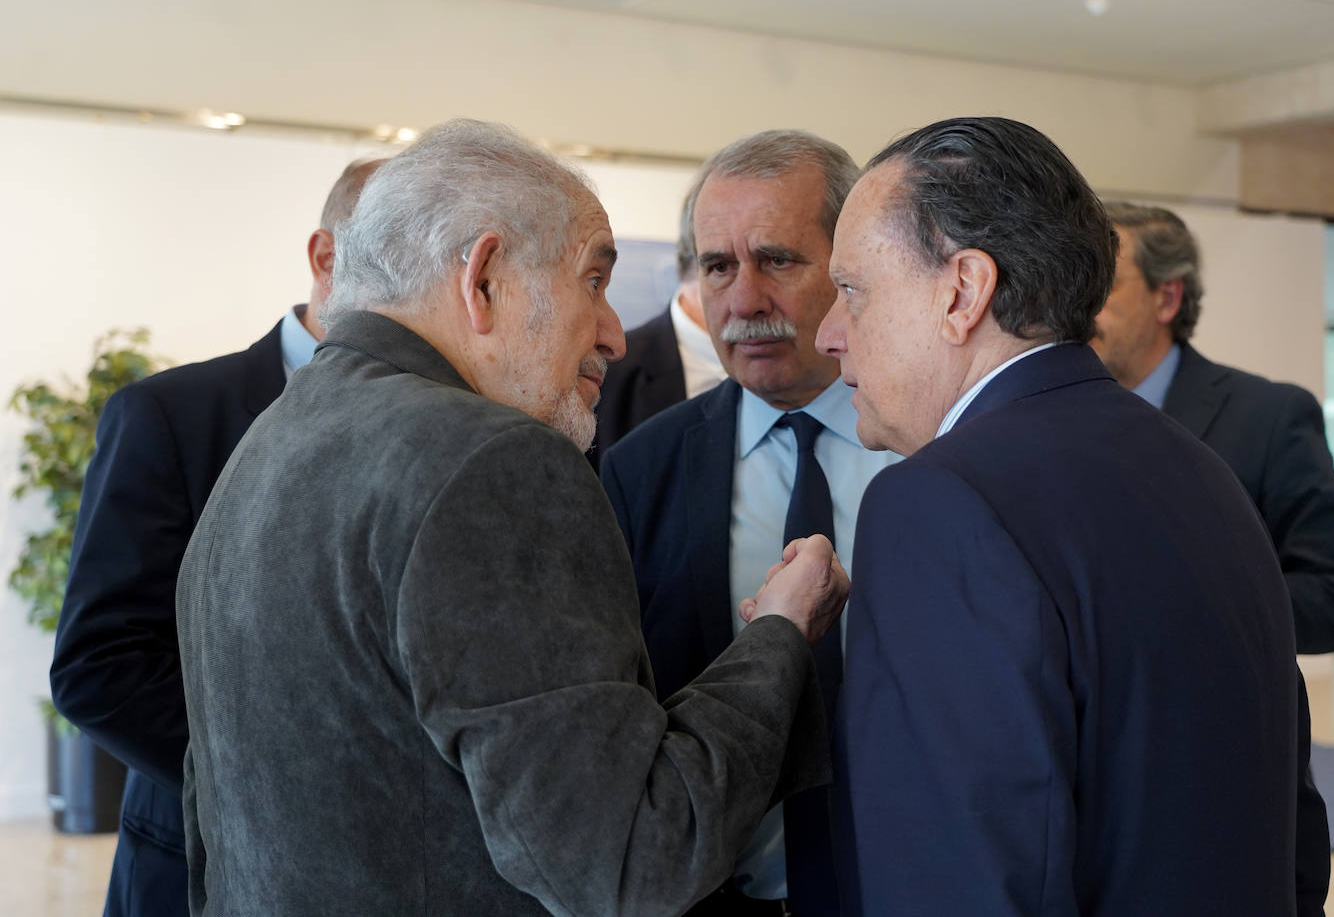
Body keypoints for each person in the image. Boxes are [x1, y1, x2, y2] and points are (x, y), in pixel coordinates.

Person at [175, 118, 848, 917]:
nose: (612, 333)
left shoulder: (270, 438)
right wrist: (777, 634)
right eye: (593, 281)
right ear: (484, 279)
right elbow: (633, 858)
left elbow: (212, 831)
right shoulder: (495, 463)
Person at [812, 116, 1324, 915]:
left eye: (852, 291)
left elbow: (956, 876)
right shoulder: (1203, 470)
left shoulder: (939, 504)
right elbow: (1291, 821)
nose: (828, 333)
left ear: (962, 291)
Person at [48, 156, 383, 917]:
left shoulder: (454, 428)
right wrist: (283, 782)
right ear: (326, 259)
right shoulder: (170, 415)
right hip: (195, 863)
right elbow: (99, 662)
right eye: (395, 258)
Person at [601, 130, 901, 916]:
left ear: (850, 268)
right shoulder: (639, 470)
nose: (743, 300)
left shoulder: (933, 451)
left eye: (777, 259)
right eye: (719, 266)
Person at [1093, 201, 1334, 655]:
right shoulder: (1040, 417)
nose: (1080, 304)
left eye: (1103, 286)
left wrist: (1190, 607)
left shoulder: (1268, 416)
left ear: (1167, 298)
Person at [589, 191, 725, 471]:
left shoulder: (819, 373)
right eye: (725, 267)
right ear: (695, 263)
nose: (753, 295)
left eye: (777, 262)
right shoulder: (603, 376)